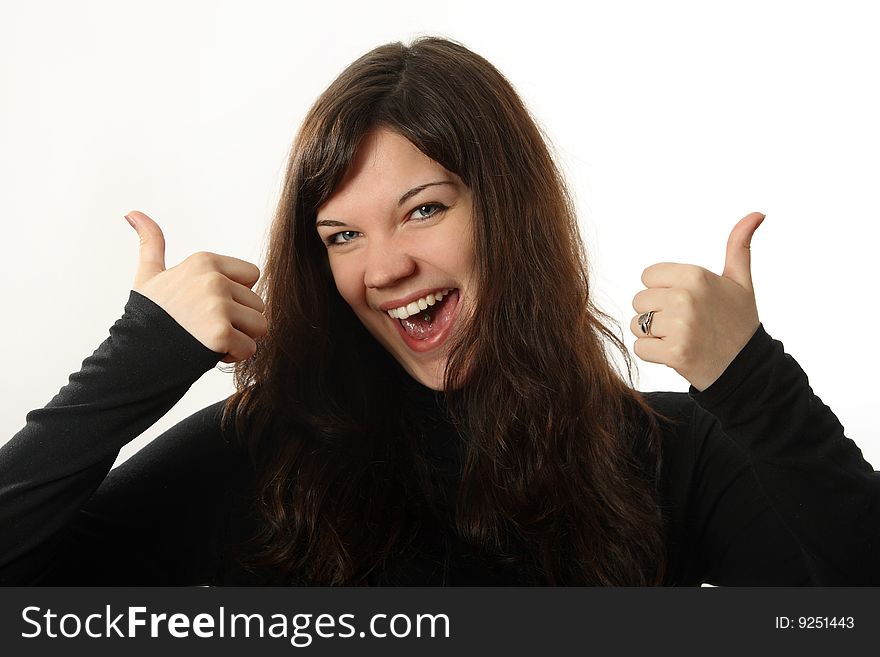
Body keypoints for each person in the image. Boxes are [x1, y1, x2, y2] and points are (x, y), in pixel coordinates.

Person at [1, 36, 877, 586]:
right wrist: (136, 359)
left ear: (509, 212)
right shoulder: (260, 455)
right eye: (342, 235)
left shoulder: (666, 453)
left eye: (424, 209)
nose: (385, 267)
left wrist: (752, 382)